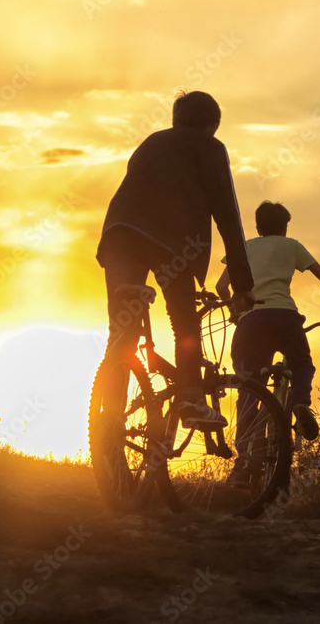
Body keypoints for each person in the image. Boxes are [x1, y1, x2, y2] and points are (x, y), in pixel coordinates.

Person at [96, 91, 255, 430]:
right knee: (184, 323)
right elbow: (228, 214)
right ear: (212, 125)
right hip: (170, 244)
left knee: (121, 329)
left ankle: (109, 425)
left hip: (118, 235)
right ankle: (190, 399)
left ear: (175, 120)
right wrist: (242, 286)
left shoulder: (151, 142)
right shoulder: (210, 147)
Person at [215, 201, 320, 481]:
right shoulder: (292, 246)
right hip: (286, 317)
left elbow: (220, 287)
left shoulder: (244, 247)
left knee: (249, 389)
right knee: (301, 364)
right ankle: (300, 401)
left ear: (257, 226)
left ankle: (242, 464)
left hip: (252, 321)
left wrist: (236, 311)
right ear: (284, 227)